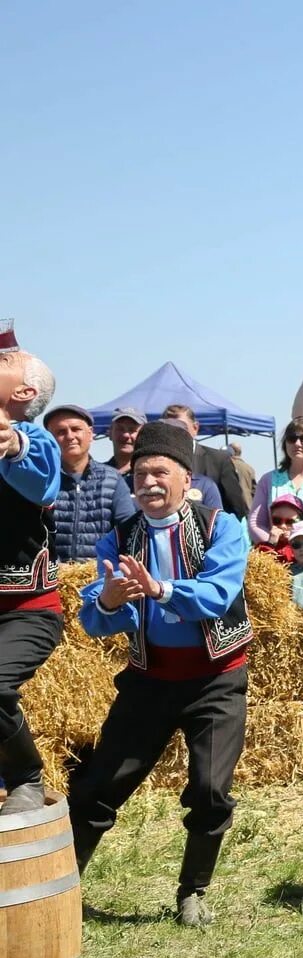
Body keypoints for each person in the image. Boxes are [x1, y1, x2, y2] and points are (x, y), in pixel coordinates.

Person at [72, 420, 253, 926]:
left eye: (159, 473)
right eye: (139, 474)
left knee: (210, 790)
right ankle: (61, 887)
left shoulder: (222, 527)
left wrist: (163, 590)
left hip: (215, 679)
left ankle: (192, 892)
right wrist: (108, 601)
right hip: (149, 681)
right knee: (98, 785)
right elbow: (100, 617)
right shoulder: (118, 539)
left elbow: (219, 596)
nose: (148, 483)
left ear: (184, 476)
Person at [0, 331, 61, 814]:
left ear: (23, 394)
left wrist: (14, 442)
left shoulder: (35, 438)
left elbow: (42, 482)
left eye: (9, 359)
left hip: (26, 610)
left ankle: (25, 776)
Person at [43, 402, 136, 563]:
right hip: (50, 579)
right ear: (50, 439)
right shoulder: (41, 479)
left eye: (76, 429)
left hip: (100, 579)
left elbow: (128, 531)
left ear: (90, 433)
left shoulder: (112, 479)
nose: (70, 436)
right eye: (61, 432)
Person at [249, 417, 303, 546]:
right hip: (276, 559)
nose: (297, 444)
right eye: (292, 438)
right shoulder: (268, 480)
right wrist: (273, 544)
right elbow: (255, 523)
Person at [161, 404, 251, 517]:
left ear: (195, 428)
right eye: (170, 430)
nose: (175, 435)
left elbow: (237, 507)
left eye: (181, 429)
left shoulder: (219, 460)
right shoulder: (157, 461)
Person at [254, 496, 303, 564]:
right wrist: (270, 544)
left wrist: (294, 542)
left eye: (290, 522)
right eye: (277, 520)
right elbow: (259, 569)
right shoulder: (261, 548)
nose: (282, 526)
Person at [106, 407, 146, 475]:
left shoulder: (148, 475)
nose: (126, 435)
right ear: (110, 433)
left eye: (132, 430)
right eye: (120, 429)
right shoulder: (97, 474)